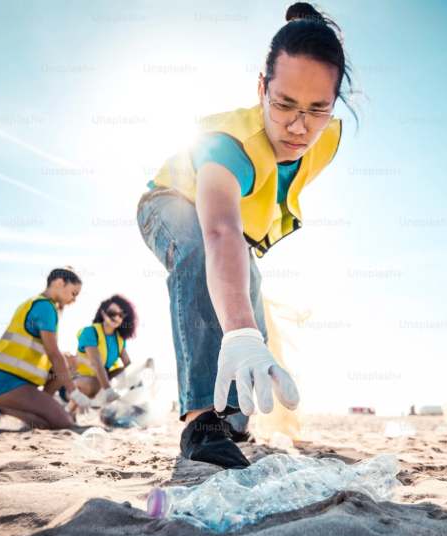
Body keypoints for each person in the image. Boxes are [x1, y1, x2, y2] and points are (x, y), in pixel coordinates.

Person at [136, 3, 354, 468]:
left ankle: (232, 414)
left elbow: (238, 239)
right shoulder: (227, 144)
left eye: (318, 109)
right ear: (261, 88)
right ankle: (201, 422)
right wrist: (237, 331)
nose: (299, 127)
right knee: (201, 261)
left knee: (248, 295)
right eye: (283, 105)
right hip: (173, 205)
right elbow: (218, 232)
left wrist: (244, 325)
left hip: (236, 231)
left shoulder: (329, 138)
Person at [0, 267, 91, 430]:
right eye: (73, 293)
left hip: (15, 380)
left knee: (44, 424)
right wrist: (74, 392)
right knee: (63, 423)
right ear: (59, 283)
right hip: (6, 381)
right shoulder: (45, 307)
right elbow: (53, 354)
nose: (74, 300)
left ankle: (4, 408)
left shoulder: (37, 304)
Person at [68, 295, 147, 415]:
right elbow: (96, 363)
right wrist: (108, 390)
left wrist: (137, 385)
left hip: (103, 381)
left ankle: (132, 408)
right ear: (103, 313)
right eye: (112, 313)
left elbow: (129, 366)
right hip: (80, 380)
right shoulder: (90, 332)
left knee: (134, 370)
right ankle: (69, 410)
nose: (117, 317)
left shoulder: (119, 339)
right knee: (90, 383)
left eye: (121, 314)